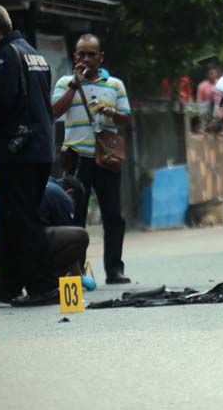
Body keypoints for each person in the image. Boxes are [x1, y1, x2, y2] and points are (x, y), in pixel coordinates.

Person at [0, 4, 58, 307]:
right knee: (10, 219)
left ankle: (44, 286)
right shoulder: (33, 53)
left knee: (23, 220)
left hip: (20, 153)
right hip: (39, 149)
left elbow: (1, 103)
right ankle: (9, 283)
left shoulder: (6, 55)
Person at [51, 34, 132, 284]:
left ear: (101, 57)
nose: (86, 59)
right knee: (75, 217)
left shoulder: (115, 85)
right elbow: (54, 112)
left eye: (91, 54)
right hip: (76, 159)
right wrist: (75, 85)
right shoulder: (64, 82)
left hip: (105, 158)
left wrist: (111, 112)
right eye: (81, 54)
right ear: (74, 56)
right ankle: (77, 271)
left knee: (113, 215)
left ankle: (114, 269)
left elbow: (126, 118)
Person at [0, 176, 92, 292]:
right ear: (70, 193)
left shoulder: (34, 182)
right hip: (9, 244)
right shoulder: (61, 196)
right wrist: (78, 278)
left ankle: (13, 285)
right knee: (80, 236)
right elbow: (67, 242)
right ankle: (46, 284)